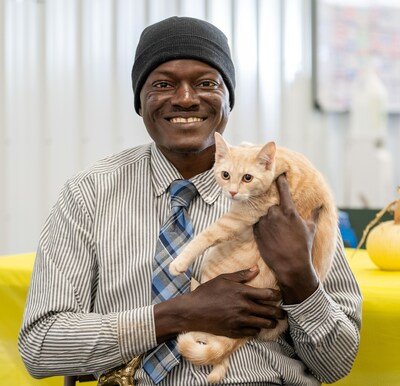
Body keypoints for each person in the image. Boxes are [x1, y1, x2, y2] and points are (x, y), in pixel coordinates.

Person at [19, 16, 362, 386]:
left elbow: (337, 363)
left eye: (206, 83)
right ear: (140, 101)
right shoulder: (88, 194)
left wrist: (299, 276)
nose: (185, 99)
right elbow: (40, 345)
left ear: (228, 99)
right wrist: (178, 314)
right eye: (163, 84)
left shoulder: (289, 188)